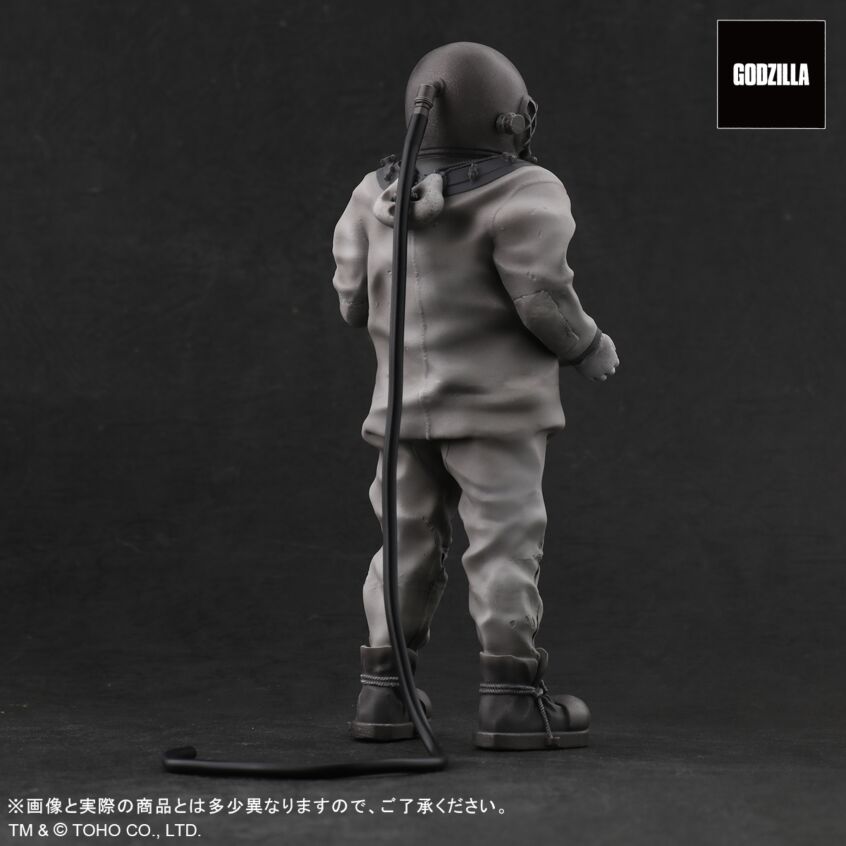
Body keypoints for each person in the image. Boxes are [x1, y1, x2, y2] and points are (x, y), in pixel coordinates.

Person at [331, 42, 619, 750]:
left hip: (402, 410)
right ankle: (511, 699)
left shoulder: (372, 196)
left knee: (402, 544)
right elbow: (543, 300)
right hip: (497, 414)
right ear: (506, 119)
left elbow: (350, 302)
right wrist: (588, 348)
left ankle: (384, 694)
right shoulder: (527, 190)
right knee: (503, 546)